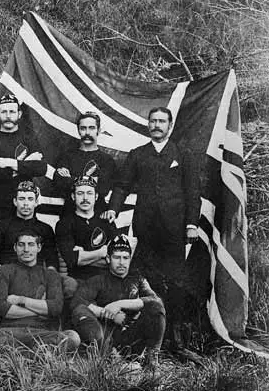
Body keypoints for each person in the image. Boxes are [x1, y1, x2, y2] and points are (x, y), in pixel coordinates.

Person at [104, 107, 200, 347]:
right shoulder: (138, 154)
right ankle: (146, 333)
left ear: (169, 125)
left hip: (174, 230)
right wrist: (114, 208)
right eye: (153, 121)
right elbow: (122, 185)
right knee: (145, 279)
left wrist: (191, 224)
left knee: (176, 280)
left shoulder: (183, 153)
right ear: (148, 124)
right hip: (145, 229)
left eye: (161, 121)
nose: (157, 125)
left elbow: (193, 192)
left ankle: (175, 337)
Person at [0, 181, 60, 330]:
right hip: (6, 272)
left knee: (67, 284)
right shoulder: (2, 226)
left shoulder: (45, 229)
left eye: (30, 199)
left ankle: (57, 334)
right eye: (22, 199)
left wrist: (49, 279)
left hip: (35, 273)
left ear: (36, 202)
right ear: (15, 201)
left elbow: (52, 261)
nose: (25, 204)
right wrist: (4, 274)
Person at [0, 230, 80, 352]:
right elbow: (0, 307)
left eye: (31, 244)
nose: (26, 249)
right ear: (15, 247)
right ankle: (36, 352)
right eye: (21, 244)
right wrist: (41, 310)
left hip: (44, 332)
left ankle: (18, 352)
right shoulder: (3, 271)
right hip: (10, 332)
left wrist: (20, 300)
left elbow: (55, 308)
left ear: (39, 247)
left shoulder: (51, 275)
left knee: (73, 337)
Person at [71, 235, 165, 369]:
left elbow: (155, 301)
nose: (122, 262)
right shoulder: (98, 280)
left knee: (156, 307)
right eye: (117, 257)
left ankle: (151, 359)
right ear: (109, 259)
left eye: (125, 258)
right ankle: (109, 359)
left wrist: (119, 304)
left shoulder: (138, 280)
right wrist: (106, 313)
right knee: (79, 310)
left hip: (132, 335)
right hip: (106, 337)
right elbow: (77, 302)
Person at [0, 93, 55, 225]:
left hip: (25, 207)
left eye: (12, 111)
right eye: (4, 112)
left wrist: (8, 163)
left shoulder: (29, 139)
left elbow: (41, 168)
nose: (8, 116)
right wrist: (24, 166)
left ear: (19, 114)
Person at [55, 176, 117, 281]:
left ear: (96, 196)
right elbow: (72, 260)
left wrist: (83, 255)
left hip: (107, 281)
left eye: (89, 193)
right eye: (80, 193)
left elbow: (116, 261)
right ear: (73, 196)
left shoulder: (106, 221)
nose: (85, 198)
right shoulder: (64, 224)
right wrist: (101, 253)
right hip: (78, 281)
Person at [54, 111, 117, 215]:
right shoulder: (66, 157)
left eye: (91, 128)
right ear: (78, 131)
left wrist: (72, 179)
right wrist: (92, 180)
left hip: (98, 215)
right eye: (83, 128)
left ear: (99, 130)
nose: (87, 132)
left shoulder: (107, 160)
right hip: (70, 215)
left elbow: (103, 188)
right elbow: (59, 183)